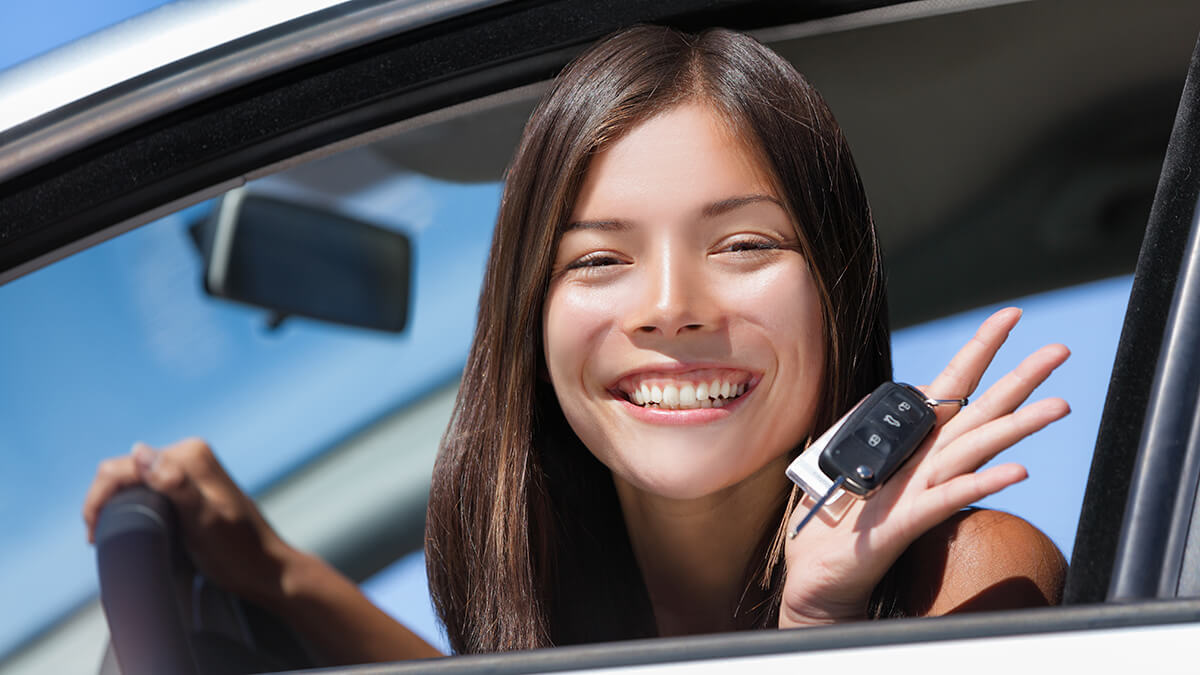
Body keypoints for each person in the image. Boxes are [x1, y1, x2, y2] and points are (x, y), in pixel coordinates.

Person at [82, 25, 1069, 664]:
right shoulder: (565, 595)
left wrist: (816, 629)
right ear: (530, 326)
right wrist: (279, 572)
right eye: (599, 262)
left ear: (838, 291)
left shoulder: (977, 579)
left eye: (744, 245)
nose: (671, 307)